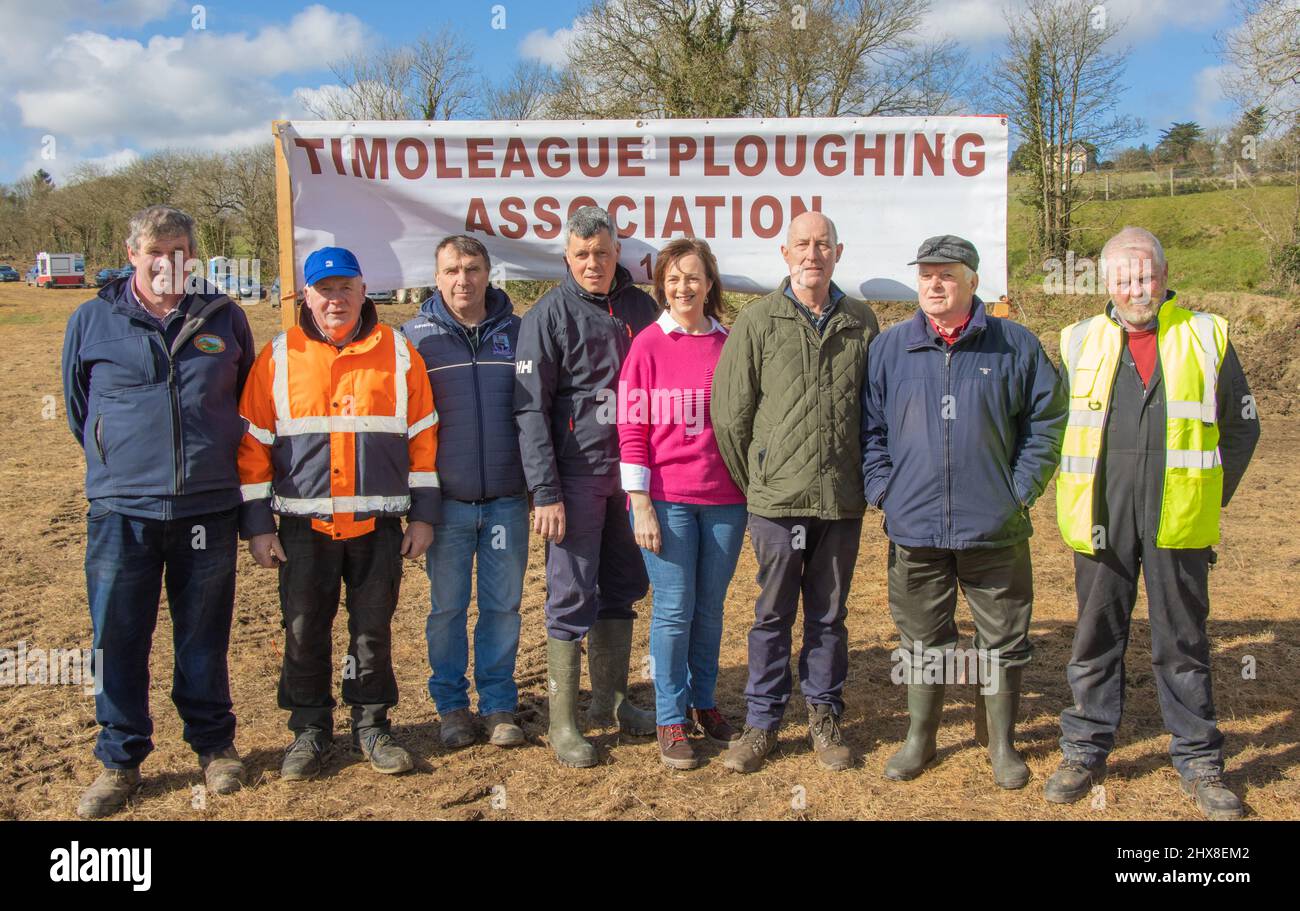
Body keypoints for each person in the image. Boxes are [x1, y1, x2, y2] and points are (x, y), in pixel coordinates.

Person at [1046, 227, 1260, 819]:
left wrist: (1207, 496)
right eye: (1124, 277)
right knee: (1094, 638)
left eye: (1145, 275)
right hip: (1100, 519)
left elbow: (1243, 426)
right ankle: (1084, 748)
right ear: (1106, 281)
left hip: (1179, 522)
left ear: (1164, 277)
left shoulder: (1206, 335)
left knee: (1182, 643)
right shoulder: (1078, 340)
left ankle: (1198, 760)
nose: (1136, 287)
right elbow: (1052, 427)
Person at [62, 204, 255, 818]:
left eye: (179, 253)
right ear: (132, 256)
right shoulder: (92, 319)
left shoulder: (224, 318)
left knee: (203, 637)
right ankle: (120, 760)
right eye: (155, 253)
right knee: (118, 636)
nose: (167, 264)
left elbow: (248, 402)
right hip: (123, 510)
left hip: (207, 507)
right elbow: (77, 407)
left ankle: (214, 746)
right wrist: (117, 459)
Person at [862, 235, 1067, 788]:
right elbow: (870, 430)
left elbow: (1047, 423)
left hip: (994, 525)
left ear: (973, 281)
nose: (933, 283)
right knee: (922, 640)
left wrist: (1019, 489)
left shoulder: (1015, 346)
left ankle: (1001, 744)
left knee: (1001, 640)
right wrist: (884, 490)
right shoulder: (890, 348)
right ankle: (919, 739)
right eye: (926, 273)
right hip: (916, 524)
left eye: (946, 274)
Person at [237, 246, 439, 780]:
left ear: (363, 289)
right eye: (324, 290)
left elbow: (423, 436)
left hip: (378, 527)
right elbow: (253, 444)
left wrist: (424, 515)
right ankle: (309, 729)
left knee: (372, 631)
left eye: (346, 287)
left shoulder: (397, 352)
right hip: (304, 529)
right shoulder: (278, 356)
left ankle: (372, 724)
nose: (336, 299)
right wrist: (257, 525)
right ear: (307, 295)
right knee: (304, 628)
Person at [711, 211, 880, 774]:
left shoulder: (861, 321)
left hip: (841, 498)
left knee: (829, 617)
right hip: (778, 506)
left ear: (839, 252)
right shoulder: (757, 322)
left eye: (823, 244)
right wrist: (760, 480)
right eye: (802, 244)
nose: (813, 253)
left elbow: (872, 411)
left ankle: (825, 717)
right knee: (771, 615)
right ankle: (761, 722)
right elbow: (730, 417)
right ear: (785, 254)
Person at [514, 205, 660, 768]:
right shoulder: (546, 316)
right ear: (566, 257)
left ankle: (614, 700)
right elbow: (529, 410)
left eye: (602, 252)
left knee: (622, 585)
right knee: (571, 593)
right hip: (575, 477)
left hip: (634, 477)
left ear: (617, 250)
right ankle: (563, 721)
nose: (593, 263)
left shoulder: (642, 308)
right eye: (581, 255)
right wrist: (544, 491)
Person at [618, 237, 747, 770]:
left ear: (710, 283)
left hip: (725, 500)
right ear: (661, 287)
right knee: (673, 609)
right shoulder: (647, 344)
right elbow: (632, 427)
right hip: (665, 500)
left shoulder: (731, 343)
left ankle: (703, 702)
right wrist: (639, 501)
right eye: (673, 279)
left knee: (710, 609)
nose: (683, 287)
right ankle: (670, 716)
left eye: (693, 277)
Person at [401, 236, 527, 750]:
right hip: (444, 505)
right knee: (447, 609)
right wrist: (415, 508)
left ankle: (498, 704)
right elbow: (402, 428)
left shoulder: (520, 334)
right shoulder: (413, 340)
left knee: (503, 607)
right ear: (436, 277)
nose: (463, 279)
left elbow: (535, 414)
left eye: (472, 268)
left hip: (507, 500)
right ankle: (451, 706)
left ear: (489, 273)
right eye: (452, 269)